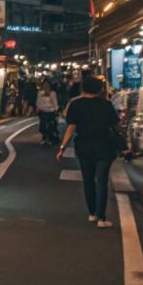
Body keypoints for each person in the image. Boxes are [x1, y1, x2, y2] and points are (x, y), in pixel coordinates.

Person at [55, 76, 128, 228]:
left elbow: (71, 128)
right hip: (104, 146)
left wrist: (62, 148)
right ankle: (102, 218)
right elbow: (116, 126)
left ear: (83, 89)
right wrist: (124, 145)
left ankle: (92, 214)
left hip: (84, 146)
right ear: (100, 89)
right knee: (101, 181)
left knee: (88, 180)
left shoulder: (76, 105)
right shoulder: (106, 105)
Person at [36, 80, 60, 145]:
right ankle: (44, 137)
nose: (46, 86)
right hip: (43, 111)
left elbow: (55, 102)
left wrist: (56, 109)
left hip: (51, 111)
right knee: (43, 125)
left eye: (47, 84)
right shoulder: (40, 93)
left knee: (51, 125)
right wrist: (38, 108)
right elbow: (38, 101)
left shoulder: (53, 93)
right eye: (44, 84)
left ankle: (50, 138)